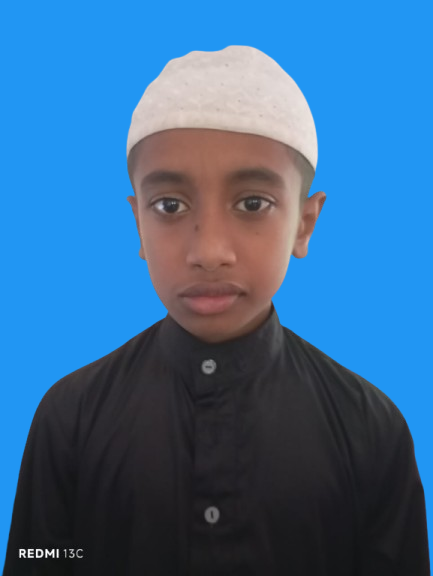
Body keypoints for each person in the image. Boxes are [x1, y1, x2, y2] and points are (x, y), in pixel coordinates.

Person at [3, 45, 430, 576]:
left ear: (304, 223)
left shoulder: (371, 431)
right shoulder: (70, 418)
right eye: (170, 206)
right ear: (138, 224)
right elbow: (42, 556)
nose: (208, 252)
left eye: (252, 204)